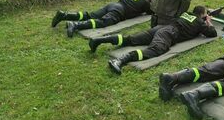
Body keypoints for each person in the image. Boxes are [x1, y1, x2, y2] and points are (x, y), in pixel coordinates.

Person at [89, 6, 217, 74]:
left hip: (161, 27)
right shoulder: (200, 22)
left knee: (131, 39)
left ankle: (99, 40)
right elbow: (212, 33)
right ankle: (121, 60)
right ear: (202, 15)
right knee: (156, 50)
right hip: (169, 33)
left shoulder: (186, 13)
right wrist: (208, 22)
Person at [51, 0, 153, 37]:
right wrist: (151, 0)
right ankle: (75, 25)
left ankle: (64, 15)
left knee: (89, 15)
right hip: (120, 11)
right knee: (103, 22)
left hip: (113, 5)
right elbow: (150, 12)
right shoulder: (145, 1)